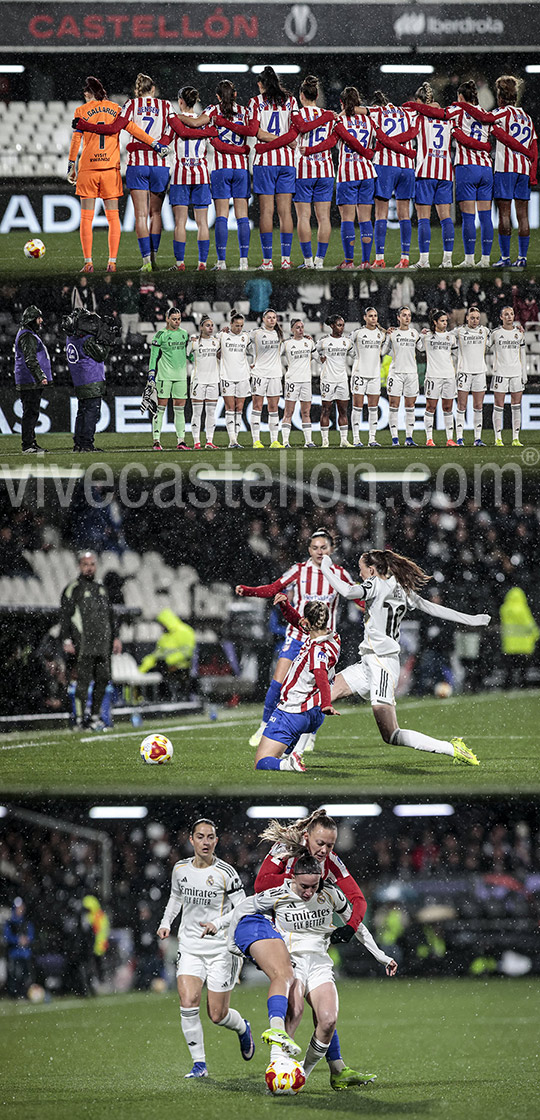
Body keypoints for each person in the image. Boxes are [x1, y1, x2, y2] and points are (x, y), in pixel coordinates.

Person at [204, 854, 396, 1083]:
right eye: (304, 886)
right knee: (294, 1013)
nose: (309, 892)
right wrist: (231, 944)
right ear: (293, 877)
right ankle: (277, 1064)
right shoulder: (279, 894)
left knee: (328, 1021)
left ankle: (302, 1073)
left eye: (314, 886)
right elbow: (243, 908)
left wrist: (382, 956)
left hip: (320, 964)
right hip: (291, 960)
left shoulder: (330, 894)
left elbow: (358, 926)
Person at [320, 548, 490, 768]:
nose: (360, 575)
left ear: (371, 570)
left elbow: (348, 592)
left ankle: (452, 748)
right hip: (368, 662)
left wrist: (325, 566)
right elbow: (433, 608)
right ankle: (290, 753)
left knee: (390, 734)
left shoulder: (374, 584)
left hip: (382, 664)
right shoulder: (401, 589)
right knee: (320, 698)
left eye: (361, 570)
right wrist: (471, 619)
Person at [254, 809, 374, 1090]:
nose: (325, 850)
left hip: (314, 949)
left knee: (326, 1015)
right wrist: (296, 882)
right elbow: (260, 885)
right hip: (284, 941)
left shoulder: (330, 861)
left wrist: (352, 926)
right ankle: (279, 1064)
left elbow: (357, 898)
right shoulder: (285, 848)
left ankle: (327, 1070)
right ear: (306, 837)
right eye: (320, 843)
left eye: (330, 845)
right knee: (294, 1012)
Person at [235, 527, 359, 747]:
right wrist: (248, 590)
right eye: (315, 548)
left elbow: (359, 598)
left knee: (318, 689)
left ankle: (309, 734)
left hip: (325, 641)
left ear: (331, 548)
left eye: (324, 547)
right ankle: (264, 726)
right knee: (278, 683)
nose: (320, 552)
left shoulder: (340, 574)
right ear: (309, 549)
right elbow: (273, 588)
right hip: (297, 636)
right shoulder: (299, 570)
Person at [157, 818, 254, 1079]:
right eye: (200, 837)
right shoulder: (180, 869)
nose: (205, 842)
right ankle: (199, 1064)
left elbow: (243, 908)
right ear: (191, 840)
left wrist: (217, 923)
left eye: (210, 837)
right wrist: (166, 922)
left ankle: (242, 1028)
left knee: (217, 1014)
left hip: (222, 948)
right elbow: (176, 897)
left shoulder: (226, 872)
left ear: (216, 841)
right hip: (189, 946)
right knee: (188, 1001)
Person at [68, 75, 168, 272]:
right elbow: (134, 129)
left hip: (89, 168)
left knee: (86, 218)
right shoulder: (116, 109)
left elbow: (76, 140)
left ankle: (88, 262)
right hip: (109, 169)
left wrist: (71, 165)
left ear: (88, 93)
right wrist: (154, 143)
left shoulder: (81, 111)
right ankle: (112, 262)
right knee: (113, 217)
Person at [253, 595, 340, 771]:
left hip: (293, 712)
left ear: (308, 623)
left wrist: (327, 704)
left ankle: (288, 764)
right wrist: (285, 606)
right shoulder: (333, 637)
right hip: (313, 714)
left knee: (262, 762)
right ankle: (292, 754)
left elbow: (321, 674)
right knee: (281, 749)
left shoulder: (317, 650)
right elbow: (296, 621)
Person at [60, 549, 122, 730]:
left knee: (103, 679)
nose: (89, 568)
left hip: (103, 644)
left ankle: (94, 716)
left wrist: (116, 637)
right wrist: (66, 639)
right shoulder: (74, 589)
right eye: (86, 564)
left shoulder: (101, 589)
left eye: (92, 564)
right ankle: (79, 719)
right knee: (83, 681)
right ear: (80, 566)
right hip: (84, 643)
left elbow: (111, 615)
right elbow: (65, 616)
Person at [248, 65, 299, 270]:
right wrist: (284, 140)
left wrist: (273, 140)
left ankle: (267, 261)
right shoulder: (291, 101)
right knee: (285, 213)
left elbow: (257, 133)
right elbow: (296, 130)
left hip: (265, 162)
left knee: (266, 213)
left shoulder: (255, 102)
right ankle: (285, 260)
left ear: (261, 84)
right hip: (287, 162)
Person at [405, 83, 454, 269]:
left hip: (425, 170)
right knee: (445, 217)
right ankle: (447, 260)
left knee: (423, 217)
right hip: (445, 171)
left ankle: (424, 260)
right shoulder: (447, 118)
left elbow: (410, 134)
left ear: (419, 101)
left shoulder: (419, 117)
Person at [447, 80, 494, 268]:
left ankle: (469, 260)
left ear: (460, 97)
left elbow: (438, 115)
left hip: (467, 167)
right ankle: (485, 260)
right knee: (485, 217)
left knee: (468, 217)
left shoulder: (457, 111)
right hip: (486, 168)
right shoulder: (485, 114)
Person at [492, 75, 538, 267]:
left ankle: (505, 258)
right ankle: (523, 258)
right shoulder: (526, 117)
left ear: (500, 96)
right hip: (523, 169)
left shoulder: (500, 114)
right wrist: (533, 173)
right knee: (523, 215)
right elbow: (534, 146)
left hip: (505, 168)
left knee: (504, 213)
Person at [369, 91, 417, 269]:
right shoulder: (407, 112)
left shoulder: (374, 112)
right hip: (407, 166)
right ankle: (405, 258)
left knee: (380, 214)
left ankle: (380, 258)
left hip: (385, 165)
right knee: (404, 215)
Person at [292, 74, 335, 270]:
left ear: (302, 96)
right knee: (324, 217)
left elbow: (293, 138)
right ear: (317, 96)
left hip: (303, 170)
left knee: (303, 217)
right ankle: (320, 261)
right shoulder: (328, 115)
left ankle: (308, 261)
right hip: (325, 169)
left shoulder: (296, 115)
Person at [167, 86, 213, 271]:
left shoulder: (175, 121)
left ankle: (180, 263)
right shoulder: (204, 121)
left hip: (181, 174)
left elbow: (165, 141)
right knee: (202, 222)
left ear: (180, 101)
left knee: (180, 223)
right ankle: (202, 263)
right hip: (201, 172)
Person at [63, 307, 119, 453]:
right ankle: (87, 444)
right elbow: (101, 355)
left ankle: (78, 443)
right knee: (91, 413)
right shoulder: (87, 340)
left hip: (80, 380)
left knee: (82, 412)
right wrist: (107, 340)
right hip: (91, 379)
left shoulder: (71, 338)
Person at [148, 307, 191, 451]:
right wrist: (151, 374)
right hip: (164, 376)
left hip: (181, 377)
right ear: (167, 319)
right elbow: (153, 357)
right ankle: (156, 441)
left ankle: (181, 441)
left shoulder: (184, 334)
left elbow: (188, 355)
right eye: (174, 319)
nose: (177, 322)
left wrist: (196, 348)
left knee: (180, 410)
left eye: (179, 319)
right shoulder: (160, 335)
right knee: (160, 409)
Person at [416, 309, 458, 447]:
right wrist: (421, 336)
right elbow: (420, 348)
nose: (445, 323)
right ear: (435, 322)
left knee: (448, 407)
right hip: (433, 376)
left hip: (449, 376)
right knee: (431, 407)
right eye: (442, 321)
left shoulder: (450, 337)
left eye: (446, 321)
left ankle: (450, 439)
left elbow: (457, 354)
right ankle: (429, 439)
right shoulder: (427, 336)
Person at [13, 305, 51, 453]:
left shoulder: (26, 333)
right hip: (29, 379)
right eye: (38, 318)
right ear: (31, 320)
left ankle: (31, 443)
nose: (41, 321)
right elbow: (30, 359)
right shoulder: (27, 335)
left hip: (28, 378)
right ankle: (28, 445)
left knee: (31, 412)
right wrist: (40, 376)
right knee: (30, 412)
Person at [489, 305, 527, 447]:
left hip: (516, 373)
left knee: (516, 406)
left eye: (511, 314)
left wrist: (524, 374)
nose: (509, 316)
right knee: (499, 406)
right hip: (500, 373)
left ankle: (515, 438)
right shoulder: (495, 333)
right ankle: (498, 438)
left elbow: (522, 353)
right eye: (506, 314)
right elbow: (484, 346)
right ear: (501, 317)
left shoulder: (519, 333)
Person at [382, 305, 420, 447]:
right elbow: (383, 351)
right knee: (394, 405)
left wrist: (426, 334)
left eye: (409, 315)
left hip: (411, 373)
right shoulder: (393, 333)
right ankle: (395, 439)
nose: (407, 318)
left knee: (410, 406)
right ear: (398, 317)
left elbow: (422, 348)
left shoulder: (414, 333)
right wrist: (387, 337)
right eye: (404, 315)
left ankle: (409, 438)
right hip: (396, 373)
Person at [349, 306, 386, 448]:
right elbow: (346, 344)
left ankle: (372, 439)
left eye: (375, 316)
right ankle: (356, 439)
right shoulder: (358, 333)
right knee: (357, 407)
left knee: (373, 408)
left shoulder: (381, 334)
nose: (373, 318)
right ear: (365, 318)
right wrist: (355, 356)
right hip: (359, 374)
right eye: (370, 316)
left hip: (374, 374)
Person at [453, 305, 490, 446]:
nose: (475, 320)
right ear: (467, 317)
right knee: (461, 405)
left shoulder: (485, 331)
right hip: (464, 372)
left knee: (478, 406)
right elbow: (443, 334)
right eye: (472, 318)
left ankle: (477, 438)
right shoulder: (460, 331)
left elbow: (498, 338)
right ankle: (460, 438)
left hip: (480, 372)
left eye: (477, 318)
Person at [139, 608, 196, 698]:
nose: (161, 627)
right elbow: (157, 654)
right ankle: (152, 698)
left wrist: (168, 660)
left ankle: (163, 697)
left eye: (162, 624)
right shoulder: (165, 636)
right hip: (164, 667)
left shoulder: (185, 631)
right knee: (151, 673)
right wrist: (143, 668)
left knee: (160, 674)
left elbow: (188, 652)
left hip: (180, 667)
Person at [317, 315, 354, 447]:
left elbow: (355, 354)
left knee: (343, 410)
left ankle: (344, 440)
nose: (341, 328)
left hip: (342, 379)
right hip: (328, 379)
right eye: (339, 325)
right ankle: (325, 440)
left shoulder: (347, 342)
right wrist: (319, 358)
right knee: (326, 410)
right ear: (332, 326)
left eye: (343, 325)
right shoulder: (324, 341)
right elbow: (313, 351)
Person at [249, 309, 284, 448]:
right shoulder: (256, 333)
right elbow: (241, 341)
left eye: (274, 317)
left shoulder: (279, 334)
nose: (271, 320)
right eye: (269, 317)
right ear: (263, 319)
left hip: (275, 374)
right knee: (257, 406)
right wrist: (252, 361)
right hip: (259, 373)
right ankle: (256, 440)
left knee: (273, 407)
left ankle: (274, 440)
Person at [218, 310, 252, 449]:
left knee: (239, 408)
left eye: (241, 326)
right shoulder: (222, 336)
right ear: (230, 324)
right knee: (230, 408)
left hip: (243, 376)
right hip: (227, 376)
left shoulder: (246, 337)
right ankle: (232, 440)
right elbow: (210, 345)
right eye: (237, 325)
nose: (239, 328)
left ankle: (236, 440)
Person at [281, 319, 316, 447]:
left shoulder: (309, 343)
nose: (300, 330)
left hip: (306, 381)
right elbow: (274, 357)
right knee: (288, 412)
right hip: (292, 380)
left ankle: (308, 441)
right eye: (297, 327)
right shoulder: (287, 344)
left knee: (306, 412)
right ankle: (285, 441)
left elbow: (319, 358)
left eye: (302, 327)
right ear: (292, 330)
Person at [188, 315, 220, 449]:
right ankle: (196, 442)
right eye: (207, 325)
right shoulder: (194, 342)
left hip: (213, 380)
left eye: (212, 325)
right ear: (201, 327)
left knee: (211, 412)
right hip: (198, 381)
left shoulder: (217, 342)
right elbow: (187, 355)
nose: (210, 328)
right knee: (197, 413)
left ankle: (209, 441)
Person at [3, 898, 34, 998]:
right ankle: (15, 994)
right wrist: (18, 940)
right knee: (15, 975)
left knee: (26, 975)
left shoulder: (26, 921)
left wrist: (27, 939)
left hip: (25, 953)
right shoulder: (10, 922)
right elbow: (7, 937)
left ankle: (24, 993)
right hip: (14, 953)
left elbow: (31, 935)